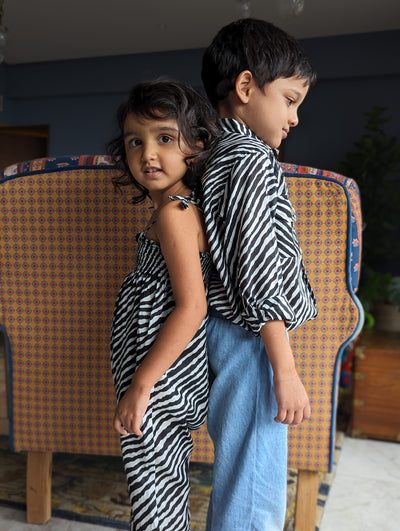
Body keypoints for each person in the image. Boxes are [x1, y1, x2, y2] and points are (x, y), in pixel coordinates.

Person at [200, 18, 318, 530]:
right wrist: (285, 371)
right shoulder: (251, 159)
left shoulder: (213, 153)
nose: (295, 117)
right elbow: (258, 270)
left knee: (241, 469)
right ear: (246, 87)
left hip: (227, 331)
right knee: (254, 482)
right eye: (290, 100)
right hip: (250, 338)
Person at [108, 79, 219, 531]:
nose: (148, 154)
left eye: (165, 138)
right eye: (135, 141)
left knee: (153, 490)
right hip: (158, 373)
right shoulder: (175, 209)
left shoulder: (176, 213)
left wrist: (141, 386)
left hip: (158, 378)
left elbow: (193, 307)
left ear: (197, 145)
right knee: (161, 484)